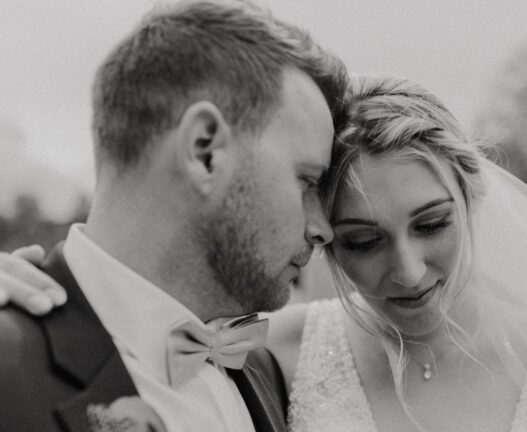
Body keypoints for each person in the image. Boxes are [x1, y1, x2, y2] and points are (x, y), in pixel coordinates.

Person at [0, 75, 527, 431]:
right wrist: (28, 295)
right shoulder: (280, 346)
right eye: (363, 241)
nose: (407, 271)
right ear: (323, 234)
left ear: (473, 199)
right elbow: (122, 333)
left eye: (432, 224)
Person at [0, 1, 347, 431]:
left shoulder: (261, 370)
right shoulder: (9, 369)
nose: (322, 229)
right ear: (204, 151)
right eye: (308, 180)